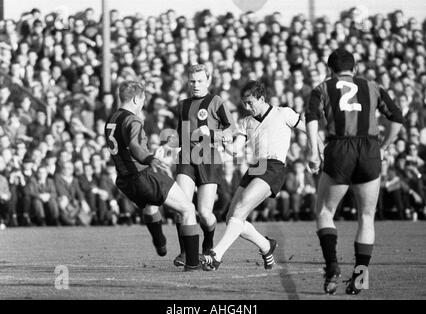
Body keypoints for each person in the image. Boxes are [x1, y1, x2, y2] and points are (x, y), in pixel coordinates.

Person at [305, 48, 403, 295]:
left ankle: (333, 266)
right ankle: (360, 278)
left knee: (325, 211)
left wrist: (313, 152)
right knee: (367, 216)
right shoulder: (372, 86)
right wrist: (384, 147)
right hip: (369, 148)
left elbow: (311, 118)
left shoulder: (323, 88)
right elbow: (397, 118)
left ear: (330, 70)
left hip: (339, 147)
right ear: (355, 68)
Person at [200, 80, 306, 271]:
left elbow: (308, 129)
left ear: (262, 98)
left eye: (250, 103)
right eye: (244, 104)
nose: (247, 108)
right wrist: (217, 136)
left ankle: (216, 255)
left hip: (274, 167)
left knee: (240, 211)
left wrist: (319, 151)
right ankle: (267, 246)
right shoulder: (246, 122)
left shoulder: (283, 113)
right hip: (256, 167)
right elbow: (234, 150)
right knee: (232, 216)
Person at [104, 80, 201, 271]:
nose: (142, 105)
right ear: (135, 99)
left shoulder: (111, 119)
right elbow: (134, 146)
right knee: (188, 209)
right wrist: (150, 159)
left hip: (124, 180)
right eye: (142, 100)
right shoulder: (132, 119)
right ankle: (192, 263)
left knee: (151, 205)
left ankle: (159, 240)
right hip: (141, 175)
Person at [173, 64, 237, 267]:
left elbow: (231, 129)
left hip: (209, 160)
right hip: (186, 160)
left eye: (200, 81)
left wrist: (213, 133)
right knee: (181, 207)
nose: (196, 85)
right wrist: (167, 147)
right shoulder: (182, 105)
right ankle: (184, 253)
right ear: (187, 82)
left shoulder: (215, 101)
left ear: (208, 81)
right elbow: (180, 134)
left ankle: (208, 245)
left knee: (205, 213)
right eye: (192, 81)